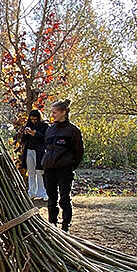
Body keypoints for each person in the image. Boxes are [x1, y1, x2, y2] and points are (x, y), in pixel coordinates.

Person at [40, 98, 84, 232]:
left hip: (64, 168)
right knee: (51, 198)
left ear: (63, 112)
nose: (52, 115)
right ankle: (52, 224)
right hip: (49, 168)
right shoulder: (50, 130)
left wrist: (70, 166)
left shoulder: (73, 130)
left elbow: (79, 151)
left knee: (64, 198)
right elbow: (46, 146)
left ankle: (65, 225)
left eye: (54, 112)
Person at [19, 109, 48, 200]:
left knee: (40, 172)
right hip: (29, 150)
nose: (33, 121)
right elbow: (23, 140)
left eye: (35, 119)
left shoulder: (45, 126)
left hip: (39, 151)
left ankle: (42, 193)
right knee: (31, 172)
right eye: (32, 119)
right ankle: (32, 192)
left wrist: (35, 134)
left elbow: (45, 139)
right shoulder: (29, 125)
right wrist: (25, 133)